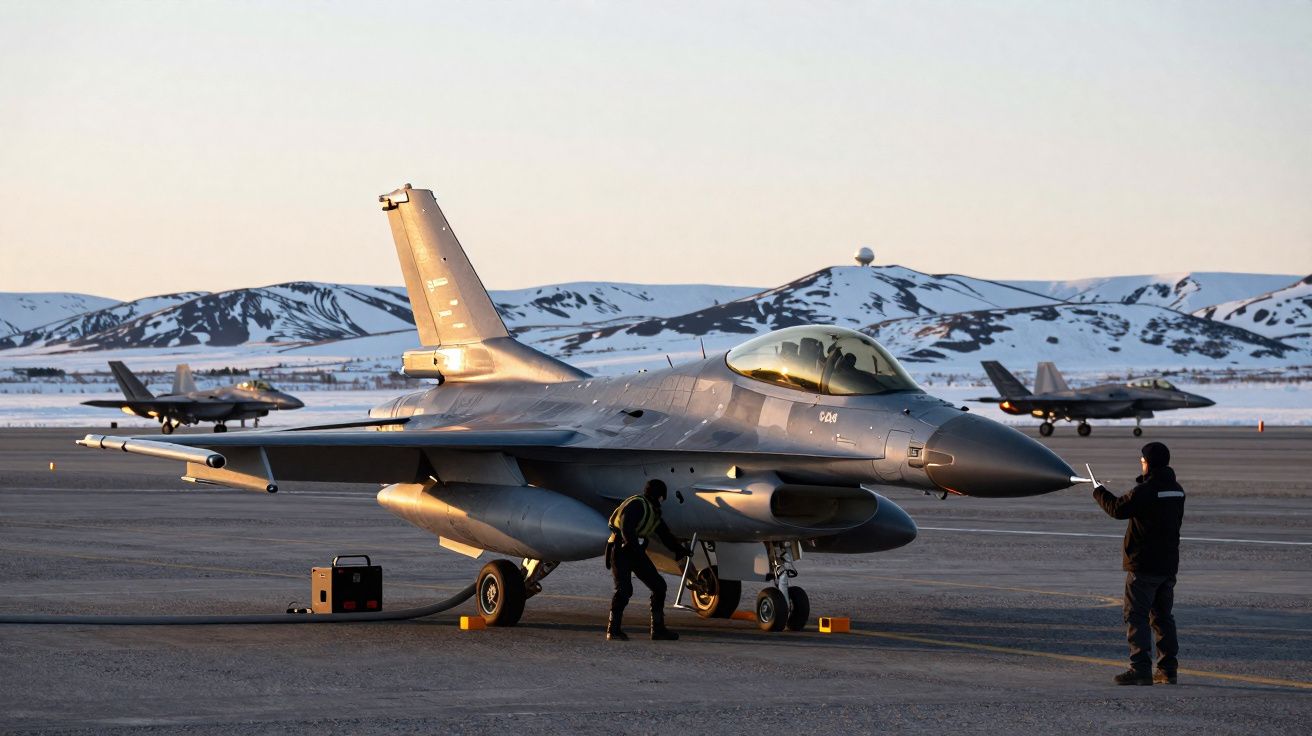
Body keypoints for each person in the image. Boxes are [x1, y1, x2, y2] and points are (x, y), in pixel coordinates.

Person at [1092, 442, 1186, 686]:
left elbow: (1116, 509)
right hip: (1168, 565)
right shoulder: (1176, 490)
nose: (1141, 464)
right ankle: (1168, 669)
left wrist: (1098, 490)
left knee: (1136, 617)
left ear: (1150, 462)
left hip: (1143, 565)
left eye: (1143, 460)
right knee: (1163, 617)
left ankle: (1140, 669)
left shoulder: (1145, 491)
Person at [605, 479, 691, 641]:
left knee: (659, 586)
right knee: (624, 590)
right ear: (660, 496)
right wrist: (633, 547)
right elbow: (626, 527)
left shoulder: (651, 510)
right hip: (621, 550)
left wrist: (679, 550)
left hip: (635, 551)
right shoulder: (637, 505)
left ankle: (658, 630)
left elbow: (664, 534)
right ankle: (613, 630)